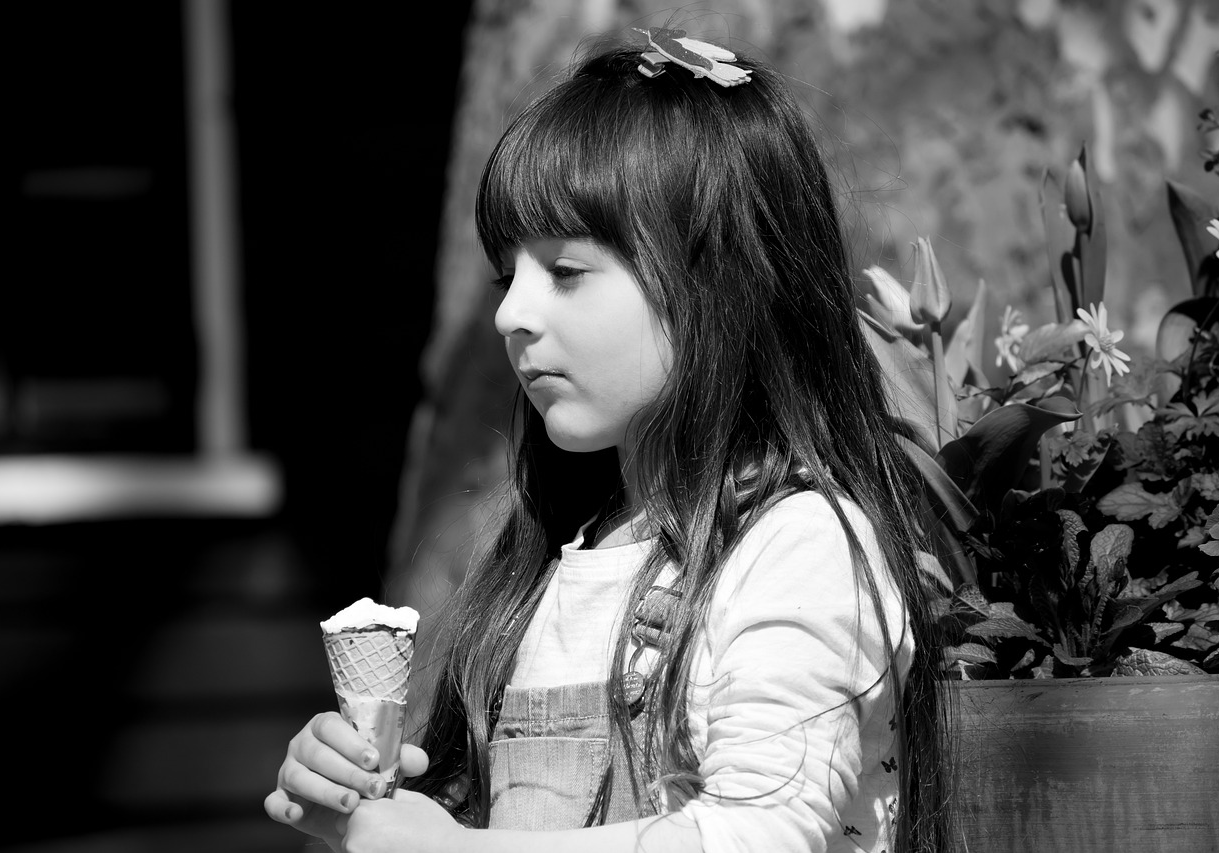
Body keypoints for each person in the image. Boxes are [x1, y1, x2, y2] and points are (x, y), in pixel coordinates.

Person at [265, 29, 952, 853]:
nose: (511, 313)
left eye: (565, 271)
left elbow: (763, 832)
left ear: (717, 285)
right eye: (505, 275)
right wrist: (363, 808)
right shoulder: (547, 568)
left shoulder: (795, 545)